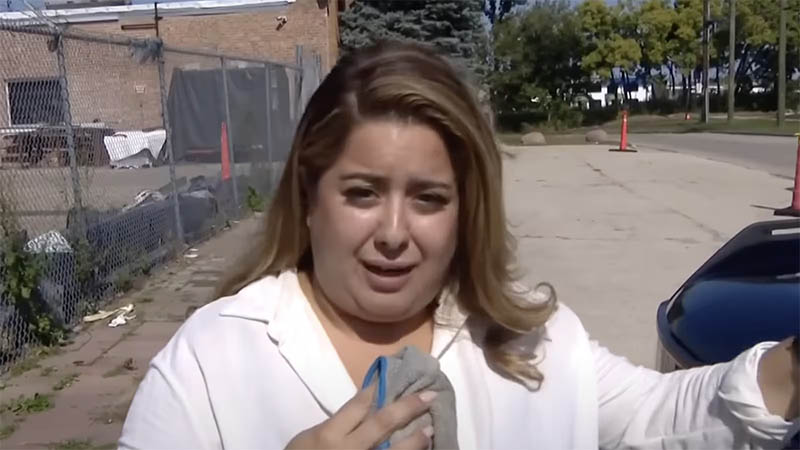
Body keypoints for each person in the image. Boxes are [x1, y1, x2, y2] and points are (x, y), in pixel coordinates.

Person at [118, 41, 800, 450]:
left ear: (466, 209)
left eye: (429, 198)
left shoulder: (533, 341)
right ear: (309, 195)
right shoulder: (210, 362)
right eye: (362, 193)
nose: (393, 233)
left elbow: (669, 417)